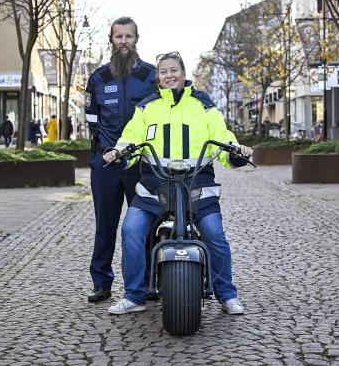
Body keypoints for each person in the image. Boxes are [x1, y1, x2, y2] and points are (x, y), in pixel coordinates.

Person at [103, 51, 253, 315]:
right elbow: (131, 137)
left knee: (215, 234)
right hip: (154, 187)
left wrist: (236, 151)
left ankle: (227, 295)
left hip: (197, 186)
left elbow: (222, 135)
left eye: (174, 70)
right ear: (158, 77)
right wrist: (118, 153)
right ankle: (135, 296)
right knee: (131, 230)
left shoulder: (203, 104)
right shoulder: (147, 106)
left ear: (184, 73)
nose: (169, 75)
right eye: (163, 71)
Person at [84, 17, 157, 303]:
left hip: (140, 163)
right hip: (106, 163)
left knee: (144, 224)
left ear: (137, 38)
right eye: (118, 37)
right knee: (106, 225)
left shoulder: (151, 76)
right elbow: (92, 120)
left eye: (128, 36)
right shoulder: (98, 78)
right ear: (111, 40)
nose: (123, 42)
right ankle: (101, 283)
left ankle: (148, 282)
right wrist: (102, 150)